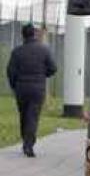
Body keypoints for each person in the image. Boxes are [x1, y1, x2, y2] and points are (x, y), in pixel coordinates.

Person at [6, 24, 58, 157]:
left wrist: (14, 86)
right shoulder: (44, 50)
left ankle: (26, 141)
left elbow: (10, 71)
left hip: (21, 89)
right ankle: (28, 144)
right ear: (34, 34)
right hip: (37, 89)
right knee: (33, 116)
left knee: (24, 115)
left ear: (23, 35)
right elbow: (53, 68)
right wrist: (42, 75)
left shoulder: (17, 52)